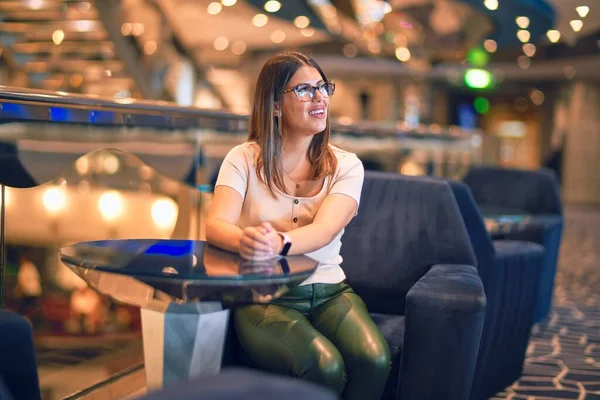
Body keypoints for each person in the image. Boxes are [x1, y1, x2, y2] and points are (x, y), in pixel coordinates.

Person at [206, 52, 390, 399]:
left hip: (330, 291)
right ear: (275, 105)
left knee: (374, 360)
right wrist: (246, 240)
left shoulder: (346, 165)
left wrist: (278, 244)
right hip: (263, 296)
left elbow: (324, 230)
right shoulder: (243, 158)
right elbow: (216, 225)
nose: (320, 97)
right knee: (325, 366)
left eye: (323, 87)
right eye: (305, 90)